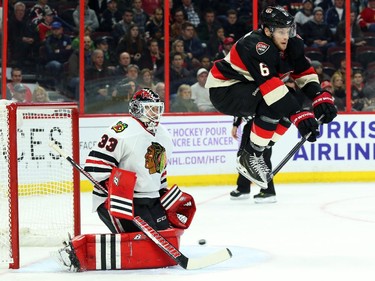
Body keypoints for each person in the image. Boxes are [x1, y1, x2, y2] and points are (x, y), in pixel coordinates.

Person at [58, 89, 196, 271]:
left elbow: (160, 171)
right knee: (144, 242)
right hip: (120, 201)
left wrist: (163, 194)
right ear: (137, 109)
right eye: (150, 109)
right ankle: (80, 251)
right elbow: (95, 166)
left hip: (150, 200)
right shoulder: (122, 129)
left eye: (157, 108)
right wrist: (117, 191)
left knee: (165, 238)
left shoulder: (164, 135)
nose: (155, 113)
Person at [205, 5, 337, 188]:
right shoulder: (256, 46)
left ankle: (262, 147)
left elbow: (303, 72)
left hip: (248, 86)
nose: (286, 36)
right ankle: (250, 155)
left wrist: (319, 95)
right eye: (281, 31)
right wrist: (299, 114)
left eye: (289, 30)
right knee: (275, 103)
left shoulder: (293, 42)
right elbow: (272, 90)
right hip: (225, 90)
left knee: (289, 99)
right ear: (267, 31)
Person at [230, 117, 276, 203]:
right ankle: (243, 187)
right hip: (253, 125)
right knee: (245, 157)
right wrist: (236, 124)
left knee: (261, 158)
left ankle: (268, 190)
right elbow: (240, 106)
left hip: (263, 125)